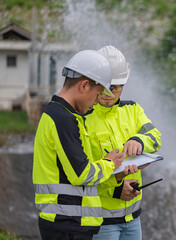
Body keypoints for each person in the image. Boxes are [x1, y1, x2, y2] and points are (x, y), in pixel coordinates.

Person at [32, 50, 125, 240]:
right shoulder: (63, 119)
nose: (96, 103)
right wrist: (110, 163)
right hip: (67, 225)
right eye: (97, 94)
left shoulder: (61, 114)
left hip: (68, 223)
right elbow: (82, 174)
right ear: (84, 86)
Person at [85, 45, 161, 240]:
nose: (109, 94)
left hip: (133, 219)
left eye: (115, 88)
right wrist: (116, 188)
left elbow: (155, 136)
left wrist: (139, 141)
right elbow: (81, 171)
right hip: (101, 222)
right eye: (105, 87)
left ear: (123, 86)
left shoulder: (133, 110)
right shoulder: (83, 119)